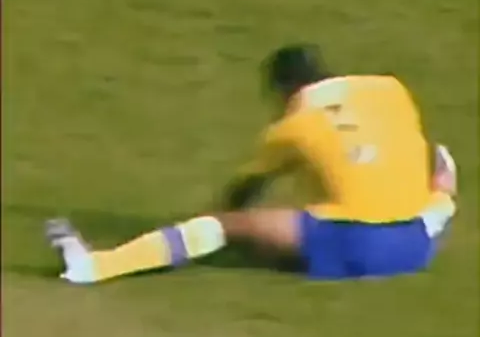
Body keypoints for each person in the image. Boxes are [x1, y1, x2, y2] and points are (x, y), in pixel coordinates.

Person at [46, 45, 457, 284]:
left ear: (284, 89)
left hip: (353, 243)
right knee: (438, 181)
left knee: (227, 226)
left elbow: (244, 192)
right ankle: (441, 202)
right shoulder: (389, 90)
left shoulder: (291, 127)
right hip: (415, 244)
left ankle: (95, 267)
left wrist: (211, 220)